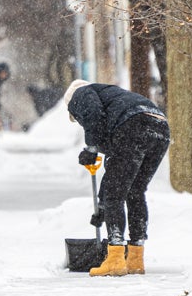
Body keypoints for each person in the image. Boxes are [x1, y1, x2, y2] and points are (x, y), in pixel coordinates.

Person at [64, 79, 170, 276]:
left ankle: (115, 259)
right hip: (159, 126)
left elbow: (92, 113)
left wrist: (91, 148)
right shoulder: (114, 100)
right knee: (134, 192)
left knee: (116, 194)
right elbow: (114, 172)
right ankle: (135, 259)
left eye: (75, 117)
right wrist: (103, 206)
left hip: (134, 124)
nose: (78, 120)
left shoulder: (79, 93)